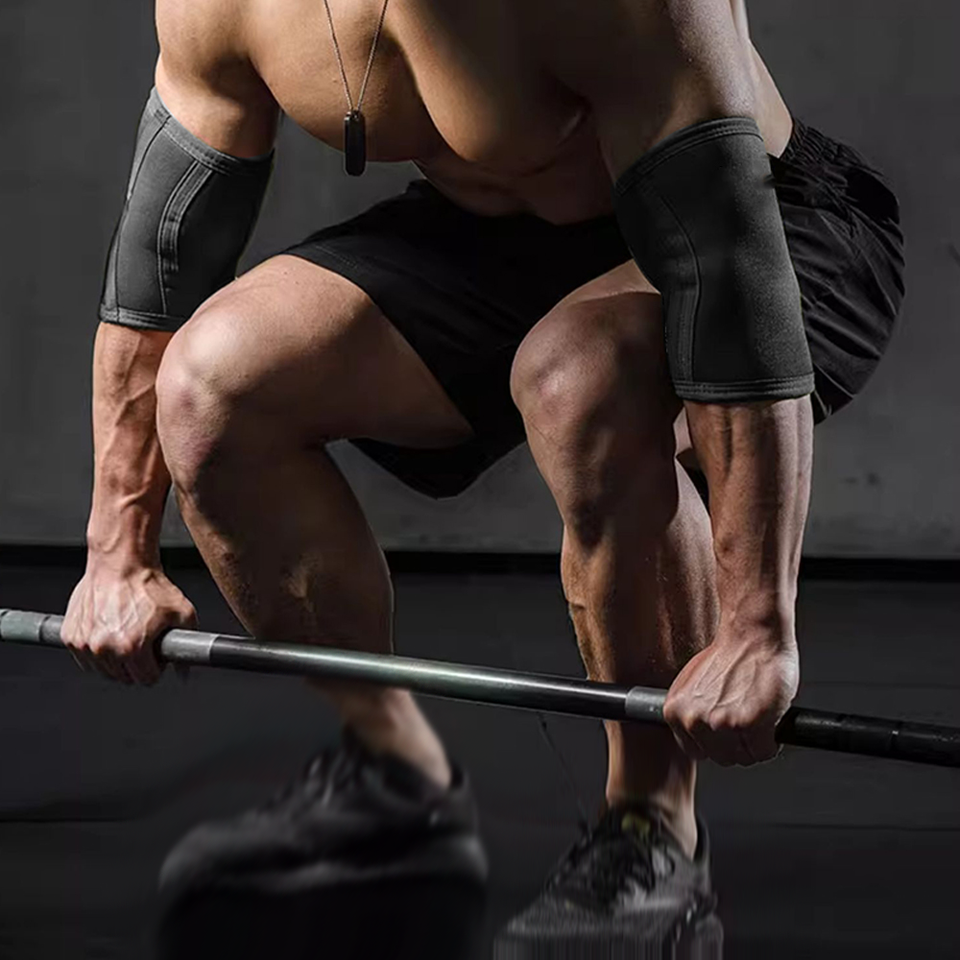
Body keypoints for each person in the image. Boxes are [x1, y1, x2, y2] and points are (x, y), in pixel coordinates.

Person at [62, 0, 904, 943]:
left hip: (764, 225)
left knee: (581, 379)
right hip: (498, 236)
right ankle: (392, 778)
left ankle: (652, 830)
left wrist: (757, 627)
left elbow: (725, 262)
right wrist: (117, 553)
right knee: (211, 388)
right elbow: (162, 264)